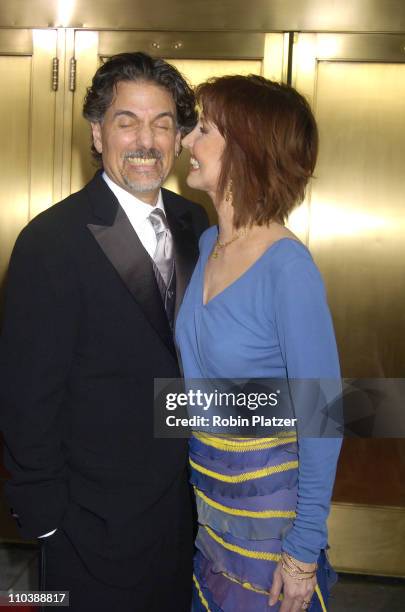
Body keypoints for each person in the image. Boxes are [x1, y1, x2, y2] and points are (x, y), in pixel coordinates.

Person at [0, 52, 208, 612]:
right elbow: (27, 399)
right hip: (90, 525)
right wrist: (46, 523)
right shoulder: (51, 241)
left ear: (179, 136)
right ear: (97, 133)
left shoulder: (200, 226)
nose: (148, 139)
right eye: (127, 121)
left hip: (192, 517)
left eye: (163, 122)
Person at [176, 75, 342, 611]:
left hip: (270, 530)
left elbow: (323, 413)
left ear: (244, 150)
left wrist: (303, 551)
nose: (185, 142)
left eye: (203, 129)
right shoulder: (208, 243)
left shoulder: (288, 267)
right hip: (210, 512)